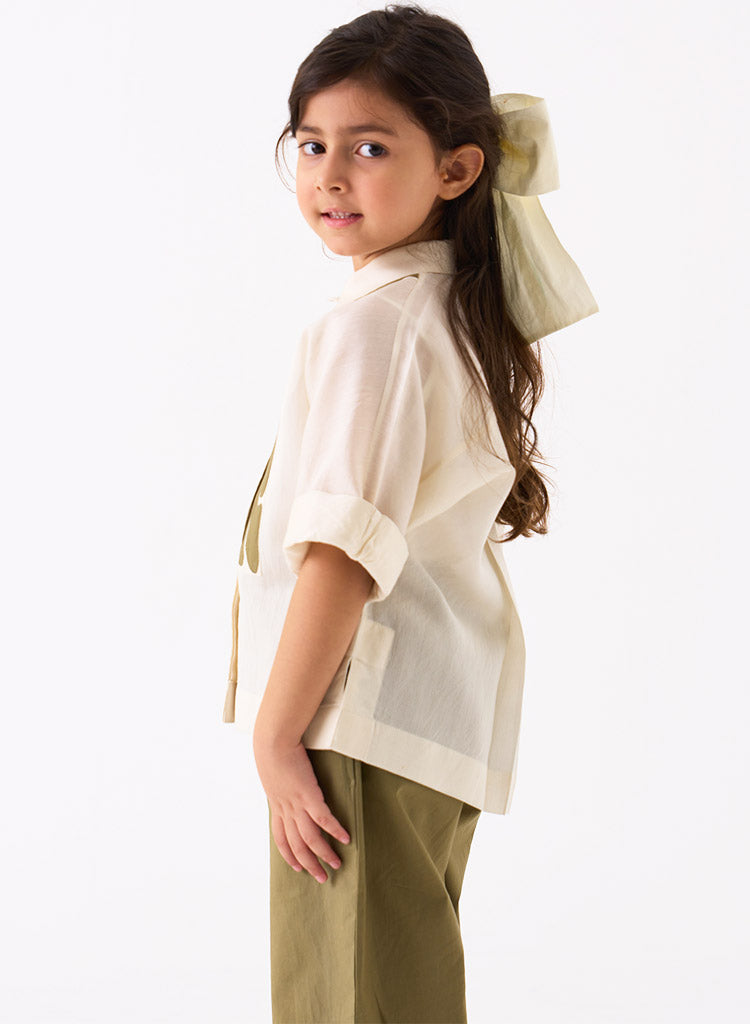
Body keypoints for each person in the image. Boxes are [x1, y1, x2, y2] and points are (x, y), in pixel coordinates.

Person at [222, 5, 598, 1022]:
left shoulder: (378, 326)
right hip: (415, 714)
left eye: (371, 147)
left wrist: (276, 737)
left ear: (458, 169)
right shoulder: (444, 308)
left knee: (347, 1001)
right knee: (399, 993)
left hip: (355, 717)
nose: (331, 176)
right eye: (312, 145)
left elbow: (342, 551)